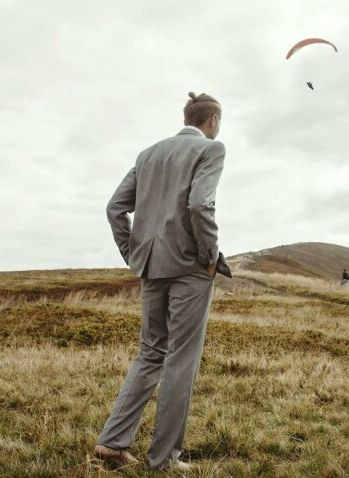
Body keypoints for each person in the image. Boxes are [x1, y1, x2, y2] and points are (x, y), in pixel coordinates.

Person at [94, 92, 232, 471]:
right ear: (213, 120)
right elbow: (201, 205)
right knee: (180, 360)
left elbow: (114, 208)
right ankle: (163, 460)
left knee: (151, 352)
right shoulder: (211, 149)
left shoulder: (148, 153)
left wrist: (135, 254)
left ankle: (111, 443)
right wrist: (208, 258)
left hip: (151, 267)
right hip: (190, 268)